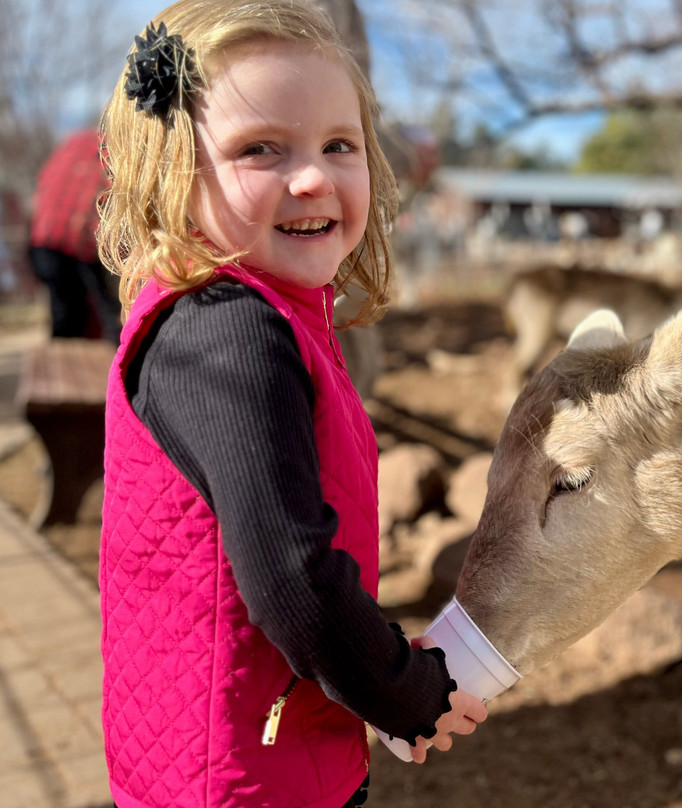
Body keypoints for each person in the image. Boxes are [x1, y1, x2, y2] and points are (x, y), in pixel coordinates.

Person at [95, 2, 487, 807]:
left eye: (338, 145)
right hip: (243, 776)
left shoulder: (259, 312)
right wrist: (407, 693)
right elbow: (294, 582)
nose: (312, 176)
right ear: (172, 171)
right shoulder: (229, 334)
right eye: (260, 149)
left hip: (233, 748)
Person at [28, 128, 121, 342]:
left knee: (64, 309)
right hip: (79, 241)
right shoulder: (109, 147)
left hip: (43, 240)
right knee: (100, 307)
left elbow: (42, 184)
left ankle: (65, 357)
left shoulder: (73, 145)